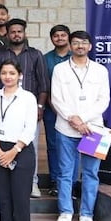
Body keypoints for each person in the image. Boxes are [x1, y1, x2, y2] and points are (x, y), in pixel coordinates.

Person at [51, 30, 110, 221]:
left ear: (90, 46)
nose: (79, 46)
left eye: (84, 43)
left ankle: (86, 215)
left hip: (94, 129)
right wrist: (73, 119)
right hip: (66, 128)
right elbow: (56, 98)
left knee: (91, 173)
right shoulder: (60, 69)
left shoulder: (100, 71)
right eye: (75, 43)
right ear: (70, 45)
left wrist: (83, 119)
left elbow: (104, 100)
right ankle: (66, 211)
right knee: (65, 172)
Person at [0, 18, 49, 198]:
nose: (16, 34)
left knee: (29, 147)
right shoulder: (0, 55)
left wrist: (40, 106)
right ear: (7, 34)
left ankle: (32, 183)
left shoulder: (35, 54)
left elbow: (43, 84)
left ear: (24, 33)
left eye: (19, 31)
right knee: (5, 144)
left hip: (29, 109)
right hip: (5, 107)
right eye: (13, 32)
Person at [0, 59, 37, 221]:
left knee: (20, 200)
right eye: (4, 73)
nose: (8, 77)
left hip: (22, 151)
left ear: (20, 75)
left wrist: (14, 151)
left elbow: (30, 129)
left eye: (12, 73)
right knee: (4, 199)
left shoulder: (27, 98)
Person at [43, 24, 71, 196]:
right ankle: (55, 180)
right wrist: (56, 108)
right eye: (56, 36)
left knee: (75, 147)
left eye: (63, 35)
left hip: (76, 111)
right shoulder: (45, 59)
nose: (60, 38)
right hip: (52, 110)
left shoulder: (76, 58)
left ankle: (72, 181)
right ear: (52, 38)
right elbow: (45, 86)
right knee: (54, 146)